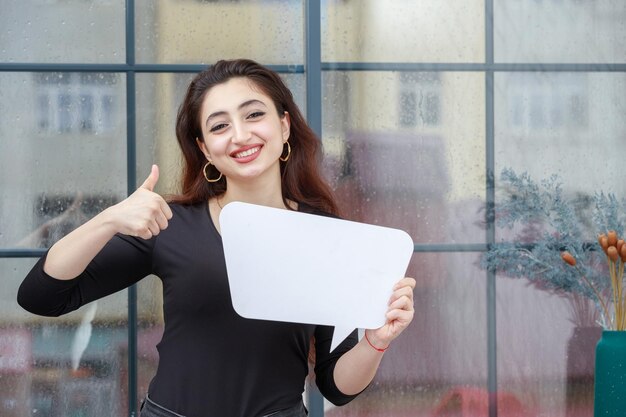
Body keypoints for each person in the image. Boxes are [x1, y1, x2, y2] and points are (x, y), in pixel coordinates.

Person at [17, 59, 416, 417]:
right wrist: (107, 220)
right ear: (205, 149)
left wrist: (377, 341)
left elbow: (336, 387)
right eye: (220, 125)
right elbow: (42, 296)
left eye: (253, 115)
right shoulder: (172, 224)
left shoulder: (325, 234)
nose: (240, 135)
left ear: (283, 125)